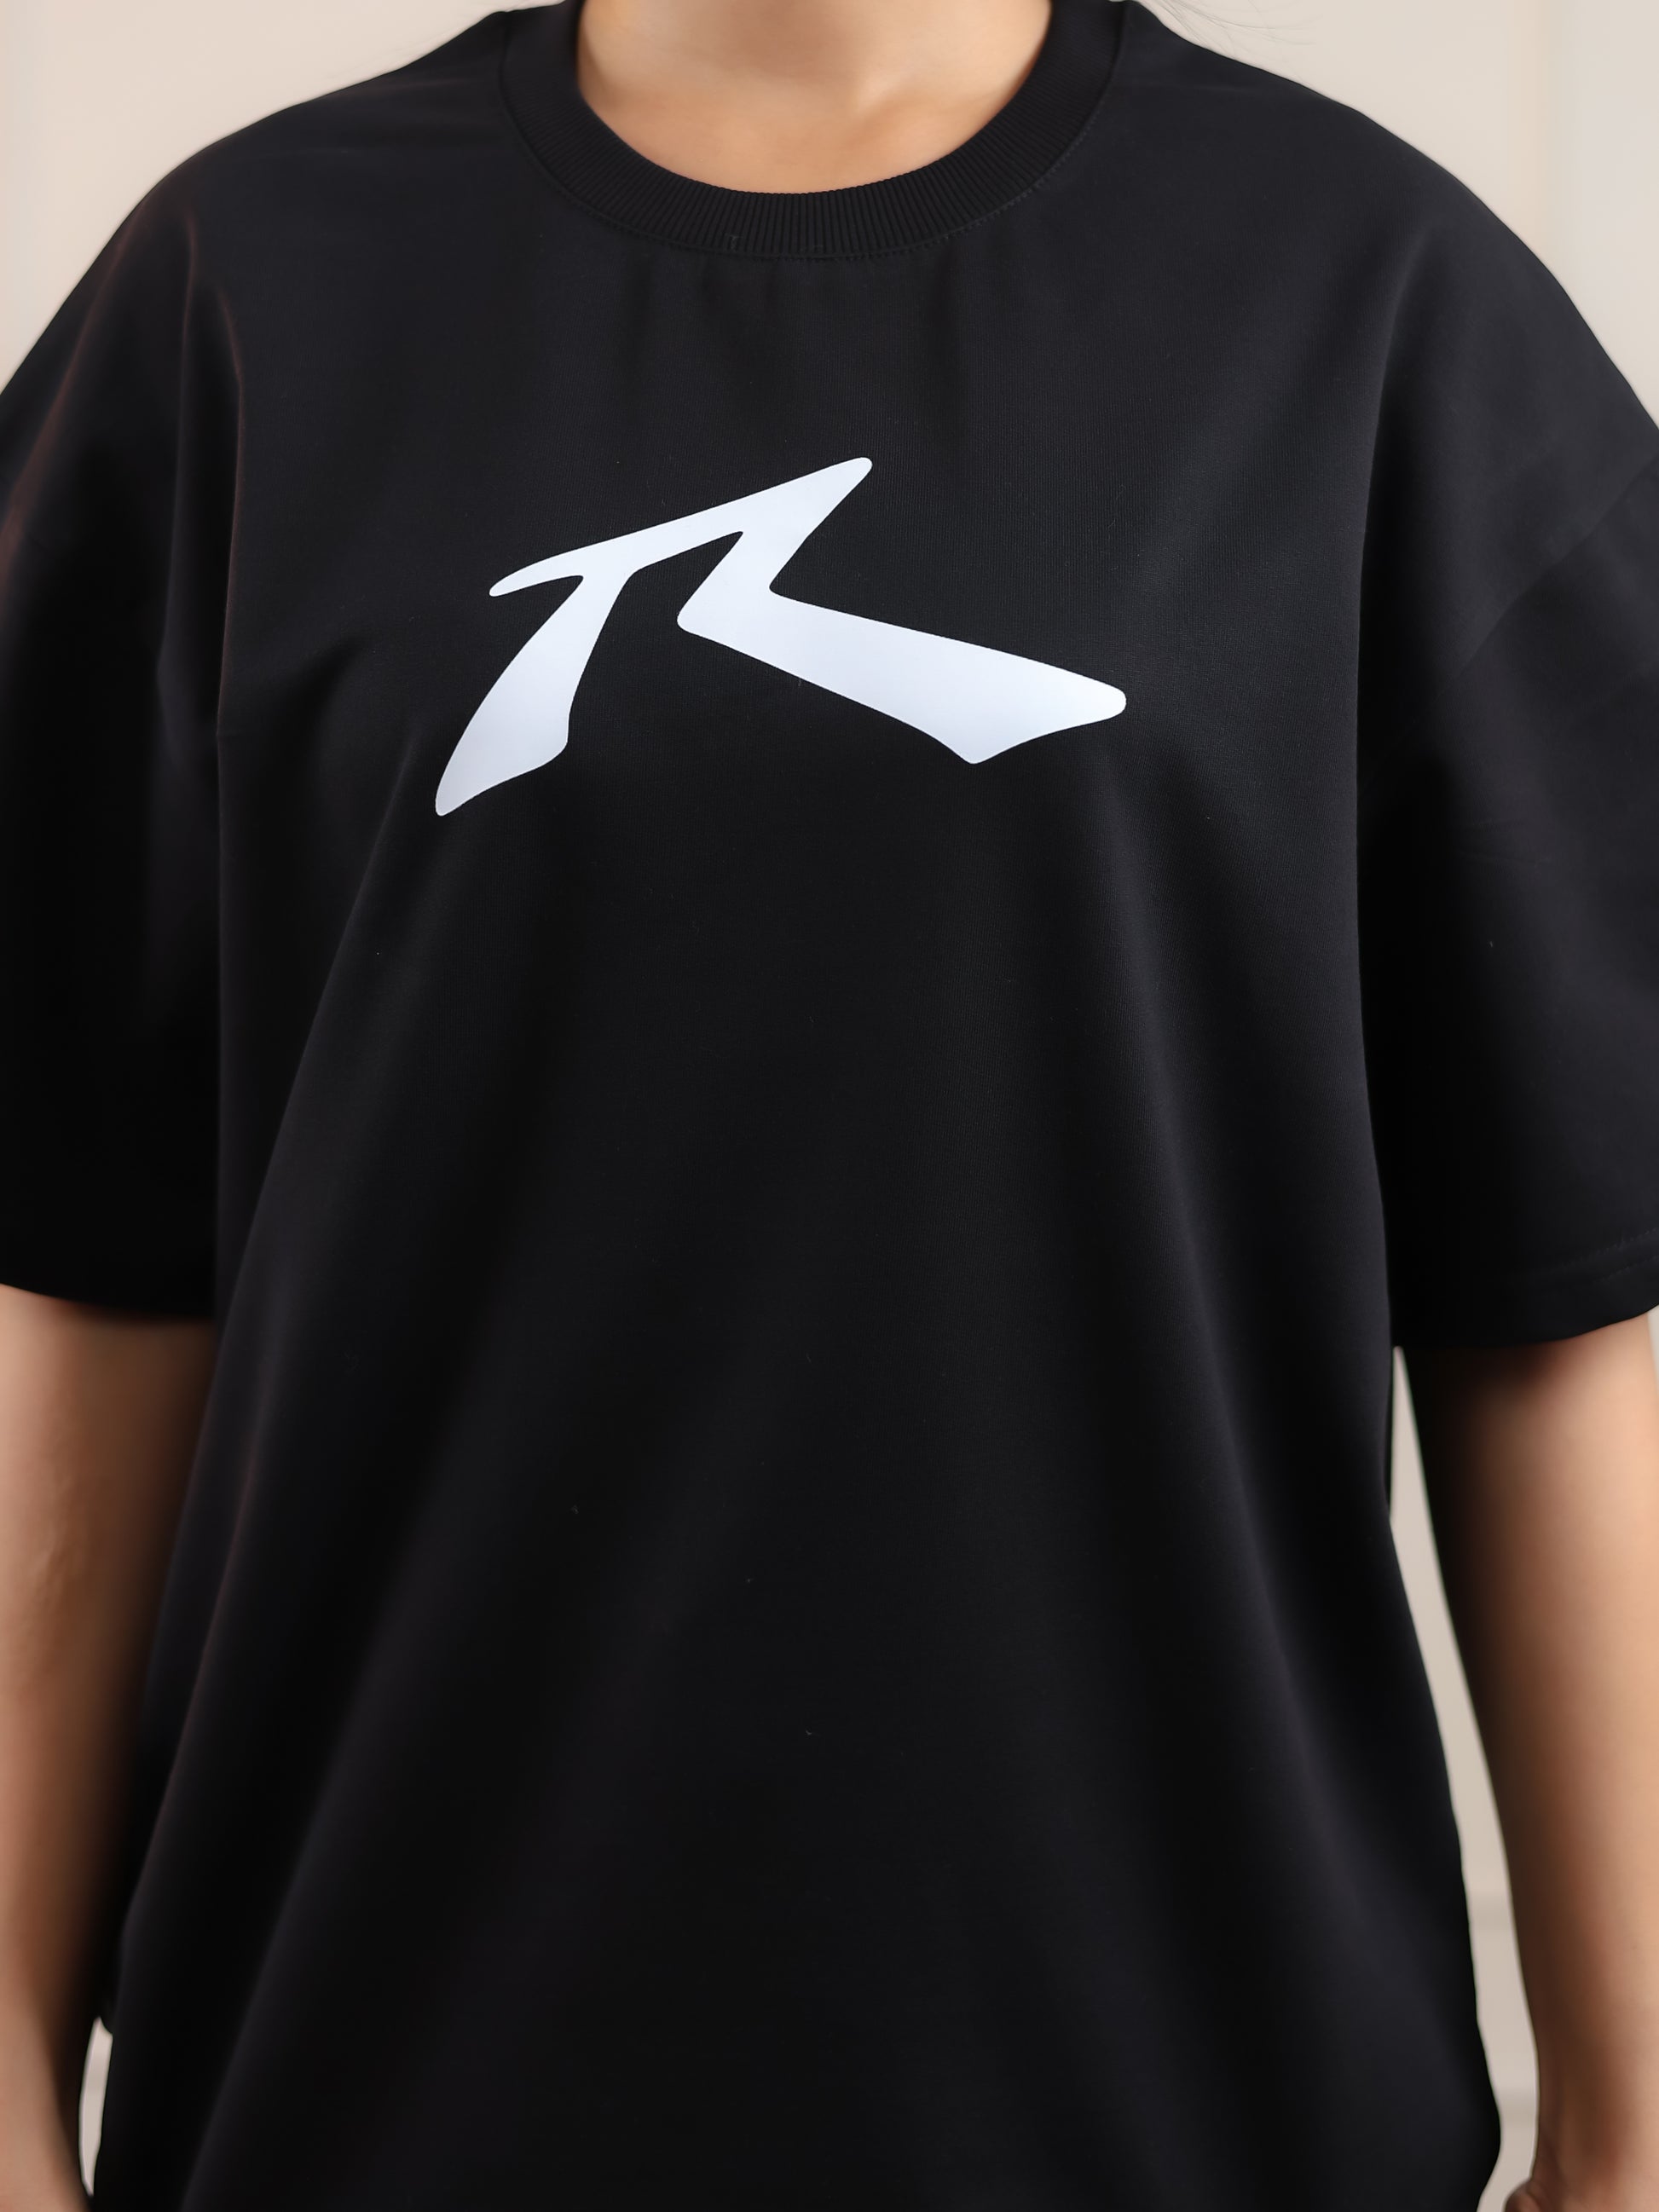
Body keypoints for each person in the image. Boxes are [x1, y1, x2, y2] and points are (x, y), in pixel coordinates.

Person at [1, 0, 1656, 2204]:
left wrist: (1631, 2129)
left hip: (1184, 2094)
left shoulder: (1368, 300)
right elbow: (87, 1282)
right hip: (371, 2082)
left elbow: (1557, 1302)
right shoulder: (248, 290)